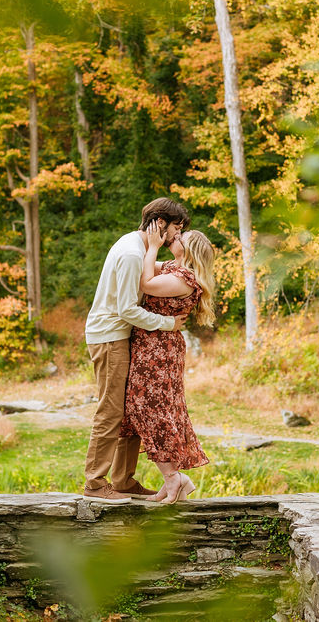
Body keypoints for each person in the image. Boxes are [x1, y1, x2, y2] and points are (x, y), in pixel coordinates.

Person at [82, 198, 190, 503]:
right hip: (109, 338)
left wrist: (174, 263)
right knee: (111, 410)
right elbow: (127, 309)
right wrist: (168, 324)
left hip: (119, 335)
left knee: (127, 410)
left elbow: (152, 268)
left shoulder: (136, 244)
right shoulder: (131, 253)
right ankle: (94, 483)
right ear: (160, 223)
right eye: (176, 228)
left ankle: (123, 481)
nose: (178, 235)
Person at [120, 225, 216, 503]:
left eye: (181, 237)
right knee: (150, 408)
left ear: (189, 250)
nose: (175, 237)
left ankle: (173, 477)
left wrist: (152, 247)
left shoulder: (185, 279)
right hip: (150, 345)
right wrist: (146, 245)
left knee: (150, 409)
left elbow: (146, 284)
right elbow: (142, 265)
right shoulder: (174, 268)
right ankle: (173, 479)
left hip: (159, 350)